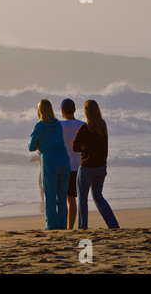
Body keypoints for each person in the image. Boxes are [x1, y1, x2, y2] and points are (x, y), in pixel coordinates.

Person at [72, 100, 120, 230]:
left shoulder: (85, 127)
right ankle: (113, 225)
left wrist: (85, 147)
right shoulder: (102, 126)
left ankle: (83, 227)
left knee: (82, 198)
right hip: (101, 166)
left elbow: (75, 146)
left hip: (87, 167)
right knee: (98, 197)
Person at [29, 99, 70, 230]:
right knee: (62, 195)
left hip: (50, 161)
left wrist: (39, 145)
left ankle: (52, 225)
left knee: (51, 195)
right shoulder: (57, 124)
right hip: (64, 160)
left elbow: (31, 146)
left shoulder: (40, 126)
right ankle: (63, 224)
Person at [59, 98, 84, 229]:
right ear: (74, 110)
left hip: (68, 166)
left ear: (62, 111)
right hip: (82, 166)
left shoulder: (61, 125)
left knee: (70, 199)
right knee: (80, 198)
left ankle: (70, 227)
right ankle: (80, 224)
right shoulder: (83, 124)